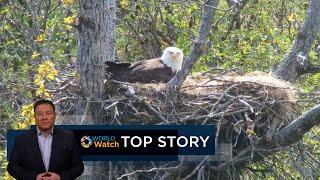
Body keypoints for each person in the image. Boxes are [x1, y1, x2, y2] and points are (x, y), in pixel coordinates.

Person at [7, 99, 84, 180]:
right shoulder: (22, 140)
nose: (44, 117)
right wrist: (34, 178)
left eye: (48, 113)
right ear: (35, 117)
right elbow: (12, 167)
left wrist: (60, 178)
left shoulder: (68, 137)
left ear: (55, 115)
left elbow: (79, 167)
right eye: (40, 114)